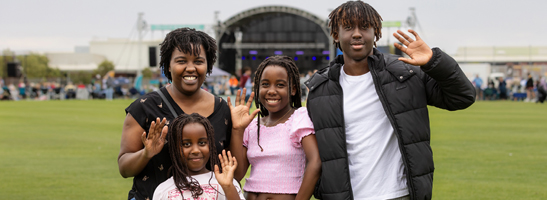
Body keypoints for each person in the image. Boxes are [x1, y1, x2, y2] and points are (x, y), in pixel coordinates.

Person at [304, 2, 475, 200]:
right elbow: (311, 153)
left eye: (365, 27)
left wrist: (434, 62)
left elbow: (463, 97)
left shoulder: (405, 74)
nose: (357, 34)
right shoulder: (320, 89)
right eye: (348, 27)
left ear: (376, 33)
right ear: (336, 34)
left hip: (398, 195)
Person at [118, 28, 233, 200]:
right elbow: (124, 169)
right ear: (168, 65)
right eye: (181, 61)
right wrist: (146, 154)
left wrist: (238, 128)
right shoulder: (144, 107)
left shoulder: (223, 109)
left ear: (208, 65)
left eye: (199, 61)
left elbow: (234, 174)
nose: (191, 68)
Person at [228, 55, 321, 200]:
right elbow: (238, 175)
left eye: (280, 85)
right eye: (265, 84)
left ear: (293, 90)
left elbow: (316, 162)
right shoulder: (252, 125)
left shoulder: (299, 117)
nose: (271, 90)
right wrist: (237, 130)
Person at [152, 113, 244, 200]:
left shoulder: (227, 183)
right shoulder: (163, 190)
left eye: (202, 143)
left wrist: (228, 187)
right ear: (175, 148)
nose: (196, 150)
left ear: (210, 145)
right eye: (186, 144)